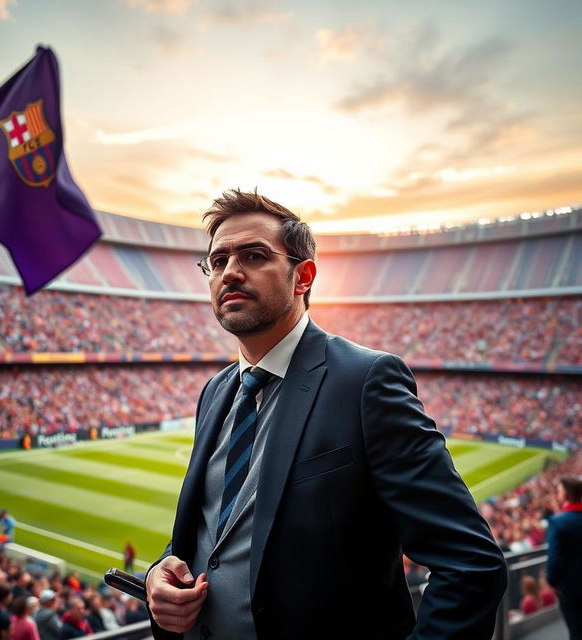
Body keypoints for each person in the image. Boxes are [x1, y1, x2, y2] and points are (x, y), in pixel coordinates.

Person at [145, 190, 508, 639]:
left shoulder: (365, 381)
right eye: (217, 262)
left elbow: (470, 564)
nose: (230, 272)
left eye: (254, 256)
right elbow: (214, 532)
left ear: (304, 276)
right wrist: (162, 573)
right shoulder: (216, 392)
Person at [547, 475, 582, 639]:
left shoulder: (558, 522)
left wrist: (552, 582)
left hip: (570, 588)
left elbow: (555, 559)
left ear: (566, 494)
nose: (557, 494)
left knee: (576, 631)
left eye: (559, 491)